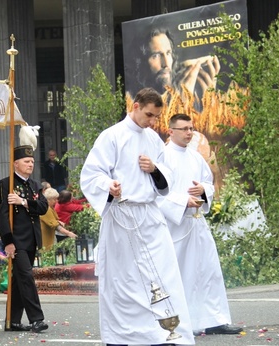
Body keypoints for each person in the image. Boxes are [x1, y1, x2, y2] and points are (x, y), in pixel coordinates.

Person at [80, 88, 194, 346]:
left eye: (155, 117)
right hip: (122, 216)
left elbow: (167, 178)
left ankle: (163, 333)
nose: (152, 121)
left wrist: (154, 170)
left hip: (150, 217)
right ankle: (123, 335)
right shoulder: (111, 136)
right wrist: (109, 185)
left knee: (163, 276)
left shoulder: (153, 139)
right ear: (135, 105)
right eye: (148, 115)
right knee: (125, 281)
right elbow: (90, 174)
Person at [158, 113, 243, 336]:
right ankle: (181, 322)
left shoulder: (196, 158)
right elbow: (155, 194)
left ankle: (215, 319)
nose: (189, 133)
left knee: (208, 271)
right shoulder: (163, 157)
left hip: (197, 223)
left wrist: (203, 191)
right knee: (181, 273)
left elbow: (208, 182)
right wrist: (181, 201)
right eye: (184, 129)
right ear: (171, 131)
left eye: (191, 128)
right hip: (175, 225)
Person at [0, 145, 49, 333]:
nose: (30, 164)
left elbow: (43, 207)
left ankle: (13, 321)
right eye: (26, 161)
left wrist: (23, 202)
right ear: (15, 163)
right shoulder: (5, 184)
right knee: (26, 277)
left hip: (31, 239)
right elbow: (1, 215)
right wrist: (8, 242)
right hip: (16, 241)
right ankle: (37, 319)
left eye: (32, 161)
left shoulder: (34, 185)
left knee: (18, 280)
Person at [125, 27, 220, 105]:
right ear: (140, 63)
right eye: (156, 55)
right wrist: (181, 104)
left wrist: (209, 105)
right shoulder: (133, 103)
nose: (166, 64)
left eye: (168, 53)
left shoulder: (193, 95)